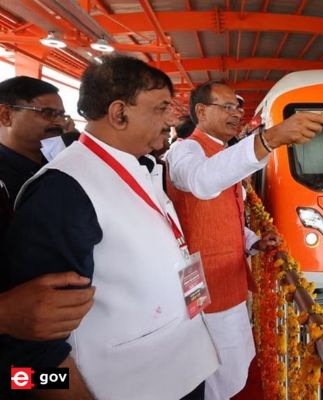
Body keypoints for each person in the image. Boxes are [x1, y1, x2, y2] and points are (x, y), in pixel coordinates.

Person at [4, 55, 219, 399]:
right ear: (119, 113)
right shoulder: (64, 190)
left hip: (179, 367)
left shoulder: (139, 165)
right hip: (125, 386)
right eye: (161, 107)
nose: (171, 119)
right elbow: (34, 347)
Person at [165, 81, 323, 400]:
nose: (236, 114)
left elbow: (228, 214)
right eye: (226, 107)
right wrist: (269, 140)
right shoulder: (186, 150)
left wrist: (254, 241)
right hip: (204, 281)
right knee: (216, 364)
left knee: (233, 357)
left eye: (237, 108)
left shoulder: (224, 153)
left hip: (231, 276)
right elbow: (202, 183)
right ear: (201, 111)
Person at [0, 76, 94, 343]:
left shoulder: (60, 169)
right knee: (44, 383)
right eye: (46, 113)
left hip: (67, 324)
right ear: (6, 115)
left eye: (61, 114)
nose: (59, 122)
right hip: (17, 338)